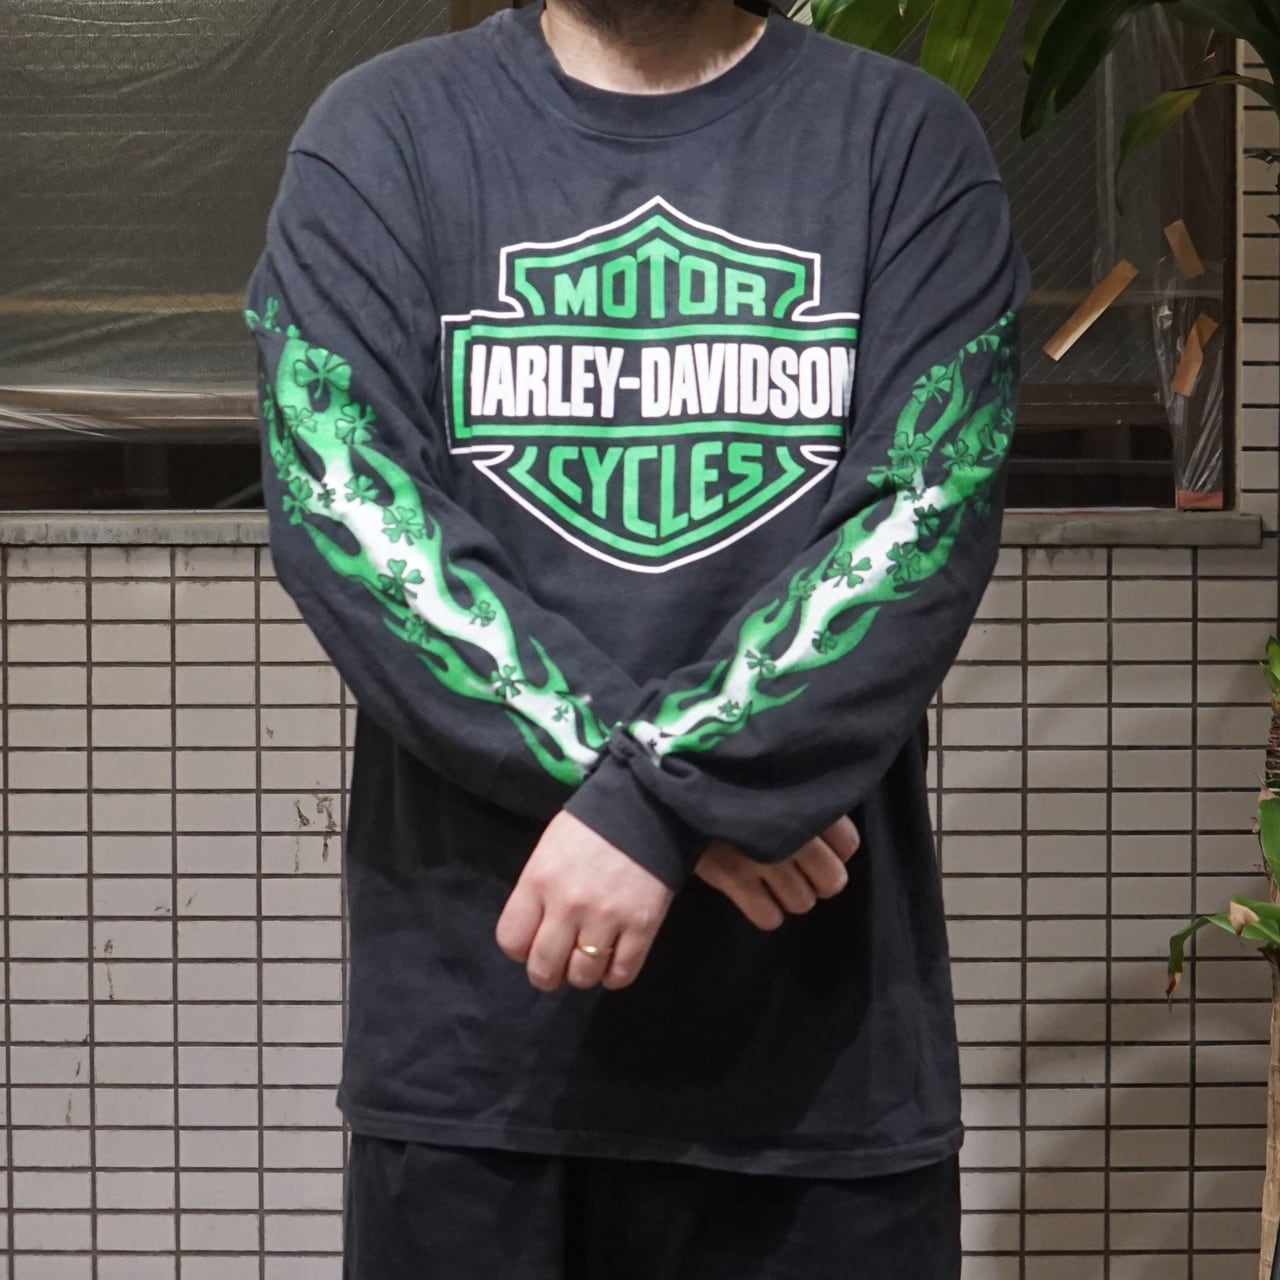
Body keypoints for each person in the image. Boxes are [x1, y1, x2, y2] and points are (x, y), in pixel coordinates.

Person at [244, 0, 1029, 1274]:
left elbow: (922, 516)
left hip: (816, 1069)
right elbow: (350, 511)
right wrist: (669, 796)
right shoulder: (381, 137)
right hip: (474, 1060)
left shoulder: (900, 143)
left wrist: (652, 803)